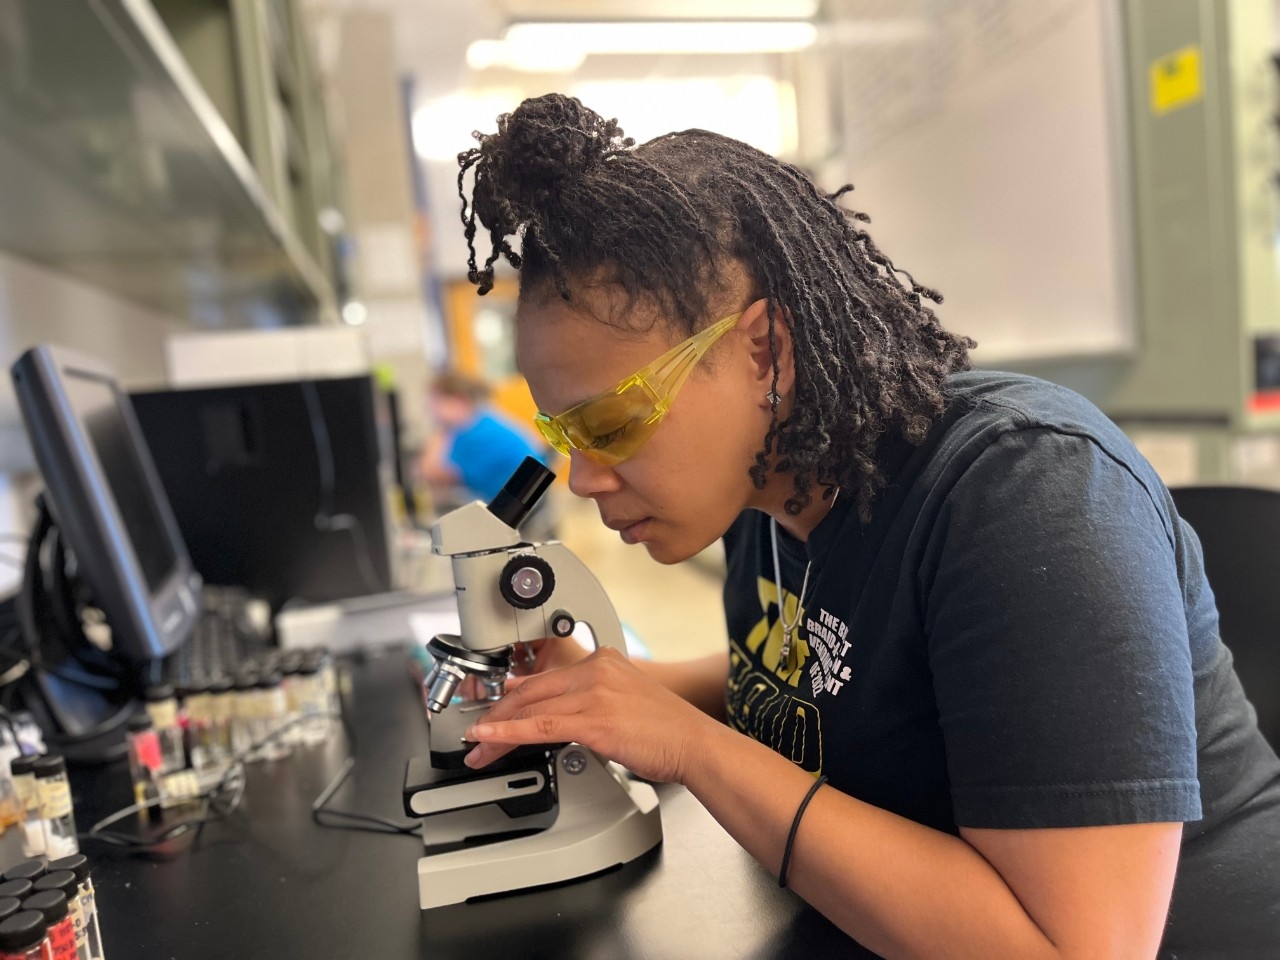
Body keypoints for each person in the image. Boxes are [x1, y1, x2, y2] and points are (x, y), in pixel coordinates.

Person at [452, 94, 1280, 958]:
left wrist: (694, 748)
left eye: (613, 423)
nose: (585, 479)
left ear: (763, 351)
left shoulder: (1028, 494)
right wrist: (618, 688)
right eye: (566, 435)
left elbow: (1076, 950)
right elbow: (818, 676)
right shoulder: (764, 500)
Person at [417, 368, 544, 507]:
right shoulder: (482, 420)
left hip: (516, 507)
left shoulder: (473, 434)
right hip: (527, 500)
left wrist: (442, 428)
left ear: (459, 400)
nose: (431, 412)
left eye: (435, 403)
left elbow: (429, 473)